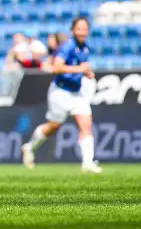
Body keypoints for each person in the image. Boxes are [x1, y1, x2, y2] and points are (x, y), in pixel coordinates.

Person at [21, 17, 103, 174]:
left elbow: (78, 68)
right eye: (79, 28)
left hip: (77, 92)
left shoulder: (85, 48)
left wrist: (86, 73)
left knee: (86, 124)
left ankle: (87, 163)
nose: (82, 32)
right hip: (60, 92)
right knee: (54, 126)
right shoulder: (68, 46)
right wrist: (80, 69)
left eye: (85, 29)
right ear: (73, 30)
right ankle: (29, 147)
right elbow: (56, 67)